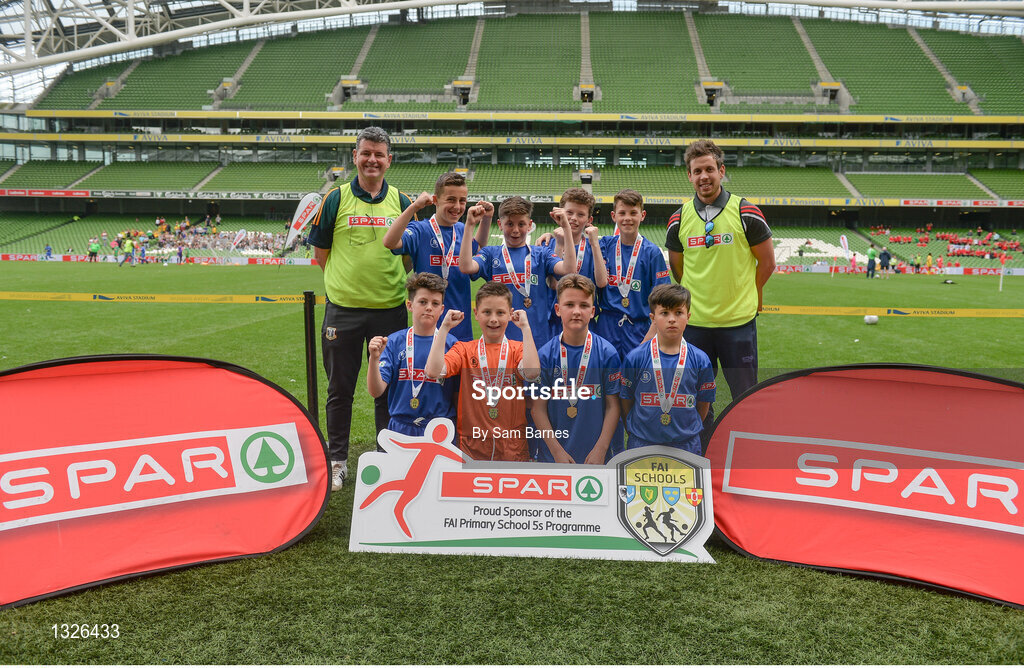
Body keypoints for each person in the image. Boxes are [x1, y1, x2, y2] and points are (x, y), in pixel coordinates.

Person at [306, 126, 412, 491]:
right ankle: (337, 461)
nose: (372, 160)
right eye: (366, 153)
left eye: (379, 154)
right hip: (344, 311)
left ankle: (387, 458)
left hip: (390, 311)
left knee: (388, 389)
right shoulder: (335, 199)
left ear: (389, 160)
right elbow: (321, 253)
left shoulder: (401, 200)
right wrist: (345, 285)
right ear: (355, 156)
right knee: (340, 389)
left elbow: (409, 257)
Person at [665, 139, 774, 445]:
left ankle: (747, 449)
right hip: (696, 326)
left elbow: (766, 264)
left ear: (721, 171)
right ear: (689, 176)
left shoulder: (746, 212)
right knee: (697, 397)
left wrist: (746, 298)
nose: (704, 176)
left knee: (745, 396)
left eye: (709, 169)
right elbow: (679, 270)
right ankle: (701, 448)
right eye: (697, 170)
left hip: (737, 325)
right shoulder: (678, 219)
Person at [424, 282, 540, 461]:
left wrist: (526, 328)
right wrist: (444, 328)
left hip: (511, 445)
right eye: (487, 312)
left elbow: (532, 373)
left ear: (510, 315)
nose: (493, 319)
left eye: (500, 313)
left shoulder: (517, 349)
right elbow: (432, 371)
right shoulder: (463, 349)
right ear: (476, 314)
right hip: (472, 444)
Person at [383, 171, 493, 342]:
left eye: (462, 201)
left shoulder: (463, 230)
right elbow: (390, 242)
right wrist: (414, 207)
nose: (457, 206)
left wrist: (486, 219)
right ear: (435, 200)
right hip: (427, 326)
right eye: (451, 199)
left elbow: (478, 247)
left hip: (459, 325)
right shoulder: (421, 230)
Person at [459, 196, 575, 347]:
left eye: (521, 224)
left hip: (537, 340)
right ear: (500, 224)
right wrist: (469, 225)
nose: (515, 230)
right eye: (509, 224)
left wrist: (566, 228)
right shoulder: (490, 254)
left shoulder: (541, 254)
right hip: (501, 342)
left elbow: (569, 269)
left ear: (530, 225)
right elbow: (466, 266)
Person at [530, 274, 622, 464]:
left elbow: (613, 406)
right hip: (554, 458)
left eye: (584, 305)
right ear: (557, 309)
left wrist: (601, 449)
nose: (577, 311)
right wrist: (556, 452)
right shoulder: (546, 355)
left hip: (595, 457)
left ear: (593, 311)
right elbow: (538, 409)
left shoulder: (607, 353)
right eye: (569, 305)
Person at [619, 284, 715, 454]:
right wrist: (635, 431)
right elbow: (626, 401)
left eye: (678, 312)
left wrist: (687, 432)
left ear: (688, 316)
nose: (672, 319)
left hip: (686, 444)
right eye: (664, 313)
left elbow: (703, 403)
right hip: (642, 443)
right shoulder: (635, 358)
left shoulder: (700, 360)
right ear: (653, 318)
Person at [366, 273, 459, 437]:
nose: (429, 307)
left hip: (440, 429)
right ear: (410, 305)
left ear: (442, 309)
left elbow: (458, 395)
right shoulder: (394, 342)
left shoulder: (451, 344)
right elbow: (376, 391)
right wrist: (374, 359)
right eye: (423, 302)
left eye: (435, 303)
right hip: (401, 428)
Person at [594, 189, 670, 352]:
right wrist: (550, 237)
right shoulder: (605, 246)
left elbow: (663, 301)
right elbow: (578, 245)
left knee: (636, 376)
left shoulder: (652, 252)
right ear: (614, 216)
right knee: (605, 376)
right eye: (622, 213)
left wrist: (649, 338)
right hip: (607, 326)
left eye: (633, 213)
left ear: (642, 215)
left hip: (639, 328)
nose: (627, 218)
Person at [540, 188, 608, 338]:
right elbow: (553, 284)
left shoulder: (595, 245)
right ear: (560, 213)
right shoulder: (549, 244)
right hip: (555, 322)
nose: (573, 218)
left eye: (581, 214)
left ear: (589, 220)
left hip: (586, 321)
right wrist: (558, 244)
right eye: (569, 213)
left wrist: (595, 244)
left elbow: (602, 282)